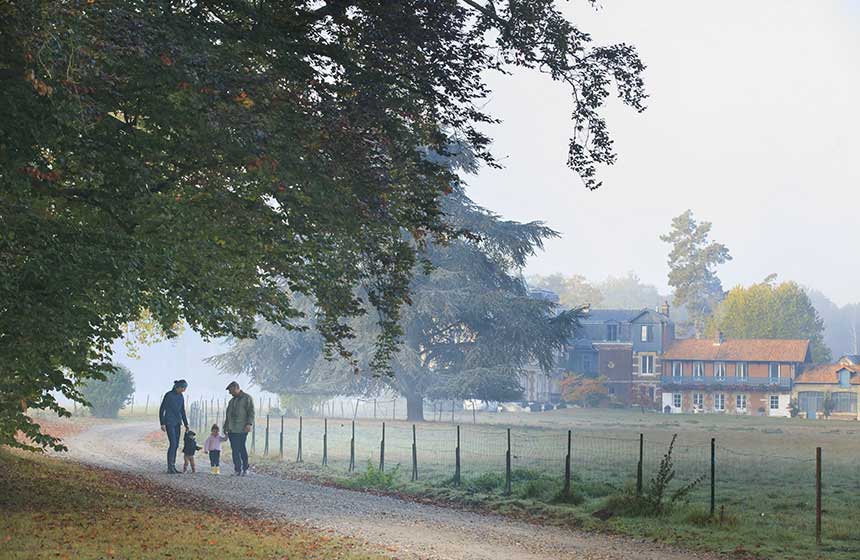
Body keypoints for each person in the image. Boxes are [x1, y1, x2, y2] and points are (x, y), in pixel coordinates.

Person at [223, 381, 254, 476]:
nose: (230, 393)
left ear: (236, 388)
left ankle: (245, 468)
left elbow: (251, 412)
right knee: (235, 450)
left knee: (241, 448)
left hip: (242, 428)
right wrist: (225, 427)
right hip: (232, 429)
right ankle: (237, 469)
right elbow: (228, 415)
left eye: (231, 390)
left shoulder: (247, 398)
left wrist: (249, 424)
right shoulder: (231, 401)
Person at [159, 379, 189, 474]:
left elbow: (182, 410)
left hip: (177, 423)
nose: (184, 390)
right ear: (178, 387)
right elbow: (162, 409)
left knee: (176, 445)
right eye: (183, 388)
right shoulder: (168, 395)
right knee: (173, 443)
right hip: (169, 422)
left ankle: (173, 466)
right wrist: (162, 423)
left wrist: (186, 423)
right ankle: (169, 467)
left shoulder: (181, 396)